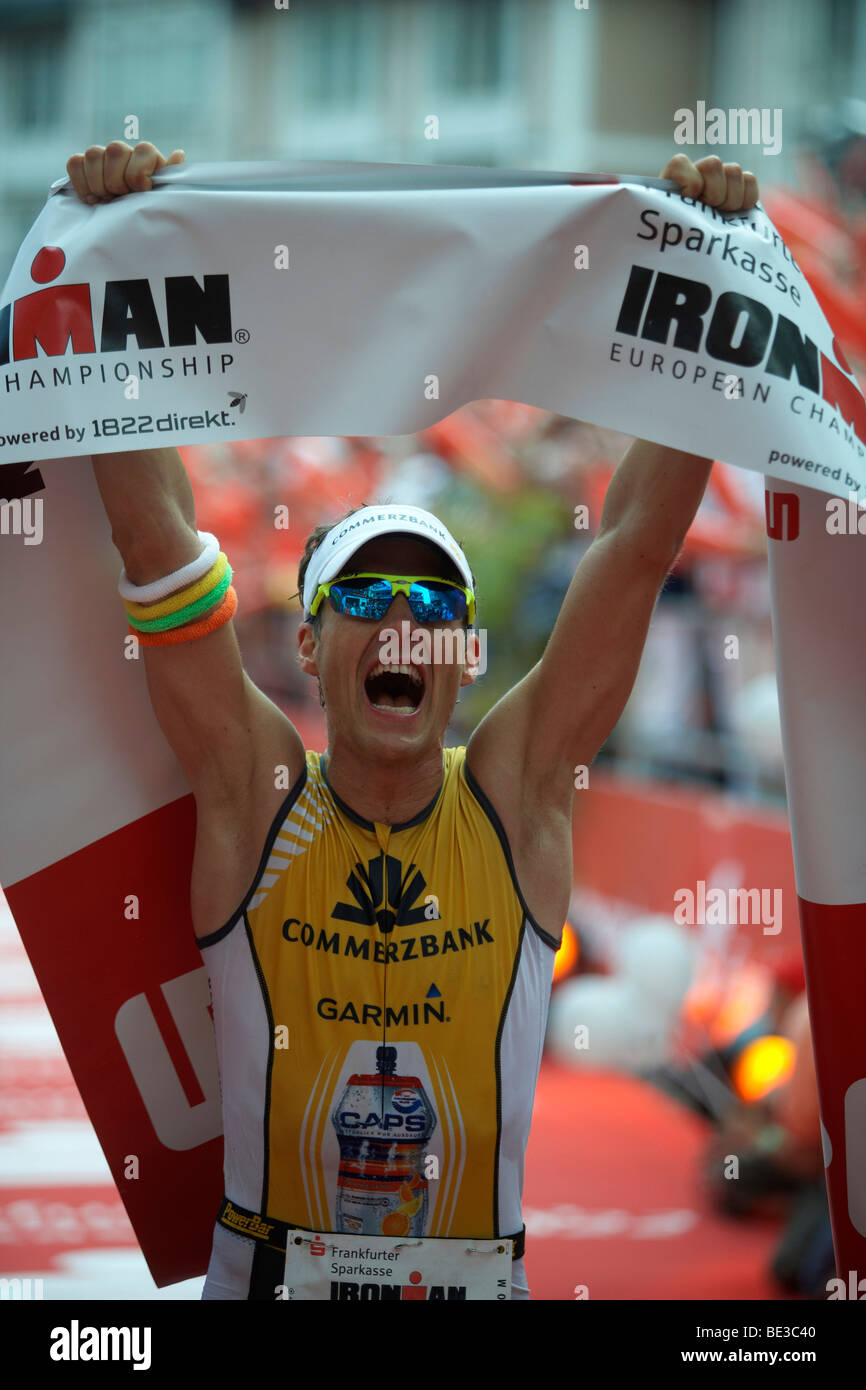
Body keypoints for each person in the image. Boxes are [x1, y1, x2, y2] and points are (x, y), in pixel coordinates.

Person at [67, 140, 760, 1301]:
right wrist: (110, 257)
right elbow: (157, 548)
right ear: (309, 645)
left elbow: (632, 551)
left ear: (461, 654)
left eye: (434, 603)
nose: (403, 623)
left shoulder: (512, 794)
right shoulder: (260, 793)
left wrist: (706, 273)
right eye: (369, 599)